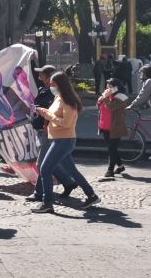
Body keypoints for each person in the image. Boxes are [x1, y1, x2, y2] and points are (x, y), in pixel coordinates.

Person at [33, 72, 101, 213]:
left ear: (61, 85)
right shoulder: (59, 97)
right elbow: (55, 115)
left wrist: (47, 115)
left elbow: (66, 123)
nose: (50, 86)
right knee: (72, 171)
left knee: (45, 169)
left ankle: (47, 203)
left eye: (53, 84)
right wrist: (44, 112)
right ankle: (91, 195)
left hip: (63, 140)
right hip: (57, 139)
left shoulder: (68, 101)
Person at [25, 65, 77, 203]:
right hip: (41, 129)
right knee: (48, 163)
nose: (39, 78)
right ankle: (68, 182)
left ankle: (39, 193)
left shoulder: (54, 94)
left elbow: (53, 113)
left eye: (41, 75)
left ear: (48, 77)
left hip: (47, 130)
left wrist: (42, 115)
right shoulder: (43, 90)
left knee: (43, 163)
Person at [97, 78, 128, 178]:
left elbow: (111, 107)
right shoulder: (106, 96)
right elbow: (100, 107)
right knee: (112, 148)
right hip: (104, 125)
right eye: (107, 86)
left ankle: (110, 170)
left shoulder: (121, 97)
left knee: (112, 148)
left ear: (116, 87)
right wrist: (101, 100)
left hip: (115, 126)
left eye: (111, 86)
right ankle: (120, 165)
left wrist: (105, 98)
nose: (108, 88)